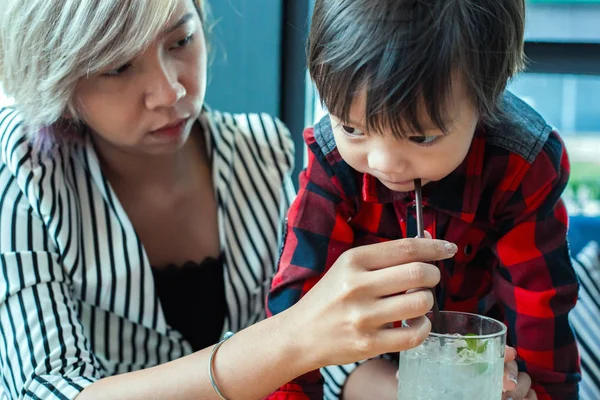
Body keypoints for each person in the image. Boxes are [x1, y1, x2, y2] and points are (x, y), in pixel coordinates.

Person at [0, 0, 470, 399]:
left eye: (181, 40)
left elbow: (327, 355)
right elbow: (47, 387)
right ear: (55, 72)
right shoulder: (23, 167)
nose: (171, 90)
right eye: (117, 66)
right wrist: (289, 338)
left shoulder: (258, 152)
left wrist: (432, 389)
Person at [267, 0, 581, 399]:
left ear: (489, 94)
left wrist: (533, 392)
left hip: (487, 365)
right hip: (368, 361)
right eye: (351, 127)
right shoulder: (332, 163)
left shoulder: (522, 165)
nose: (383, 162)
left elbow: (542, 317)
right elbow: (293, 326)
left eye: (421, 137)